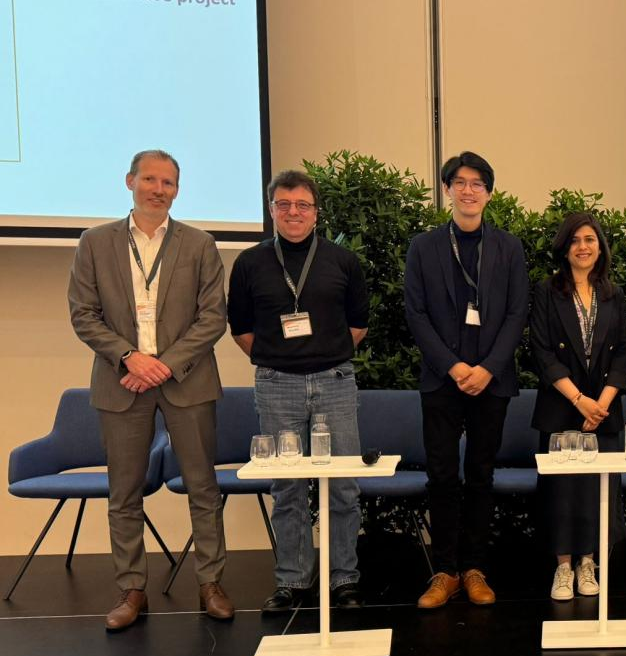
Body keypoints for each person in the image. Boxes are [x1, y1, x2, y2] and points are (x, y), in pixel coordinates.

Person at [68, 149, 233, 630]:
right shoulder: (94, 242)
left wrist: (163, 365)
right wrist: (129, 357)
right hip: (121, 381)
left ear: (177, 190)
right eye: (150, 180)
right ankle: (131, 589)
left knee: (203, 487)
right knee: (123, 493)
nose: (158, 189)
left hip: (188, 381)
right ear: (130, 181)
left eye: (168, 182)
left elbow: (212, 317)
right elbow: (83, 314)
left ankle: (211, 583)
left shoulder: (200, 244)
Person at [228, 169, 370, 612]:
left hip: (334, 382)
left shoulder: (342, 261)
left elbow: (359, 324)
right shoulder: (249, 263)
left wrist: (323, 356)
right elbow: (241, 328)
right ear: (271, 210)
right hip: (277, 385)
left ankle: (343, 578)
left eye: (302, 205)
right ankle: (292, 580)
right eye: (284, 204)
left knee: (343, 485)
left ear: (316, 213)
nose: (294, 212)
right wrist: (279, 359)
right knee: (287, 486)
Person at [405, 151, 529, 608]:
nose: (469, 190)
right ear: (447, 189)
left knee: (481, 475)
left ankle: (474, 568)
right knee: (441, 475)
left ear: (489, 193)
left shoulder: (509, 248)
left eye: (478, 183)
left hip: (491, 381)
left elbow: (517, 313)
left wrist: (488, 368)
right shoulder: (424, 247)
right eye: (460, 182)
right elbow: (416, 314)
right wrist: (454, 367)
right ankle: (444, 571)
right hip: (443, 381)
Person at [529, 212, 626, 600]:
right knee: (561, 491)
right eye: (575, 240)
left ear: (600, 247)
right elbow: (542, 352)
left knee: (595, 491)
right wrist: (579, 400)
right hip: (561, 407)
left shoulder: (613, 294)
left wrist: (600, 404)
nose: (583, 247)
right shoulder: (547, 291)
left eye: (590, 239)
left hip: (602, 412)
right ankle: (562, 567)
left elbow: (623, 352)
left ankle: (588, 563)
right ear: (564, 248)